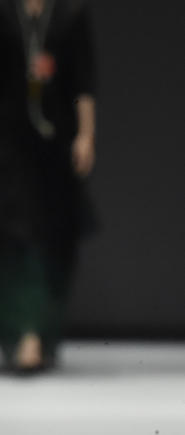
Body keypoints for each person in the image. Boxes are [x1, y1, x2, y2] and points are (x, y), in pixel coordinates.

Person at [0, 0, 95, 372]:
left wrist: (86, 135)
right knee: (15, 233)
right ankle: (24, 335)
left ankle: (42, 332)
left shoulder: (70, 13)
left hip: (57, 139)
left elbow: (84, 80)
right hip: (8, 140)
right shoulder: (4, 12)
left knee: (53, 234)